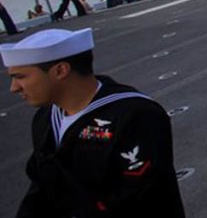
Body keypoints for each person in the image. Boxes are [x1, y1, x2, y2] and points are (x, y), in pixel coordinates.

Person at [2, 28, 186, 217]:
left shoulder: (135, 114)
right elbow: (41, 186)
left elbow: (136, 193)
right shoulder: (46, 119)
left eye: (20, 77)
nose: (14, 88)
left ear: (60, 70)